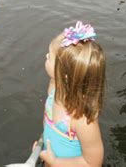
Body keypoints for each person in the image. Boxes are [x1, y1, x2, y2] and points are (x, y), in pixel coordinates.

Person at [38, 21, 105, 166]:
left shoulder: (82, 118)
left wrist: (55, 161)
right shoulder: (53, 90)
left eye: (50, 56)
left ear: (64, 74)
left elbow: (93, 162)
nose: (46, 56)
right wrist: (42, 144)